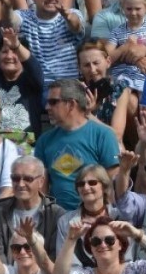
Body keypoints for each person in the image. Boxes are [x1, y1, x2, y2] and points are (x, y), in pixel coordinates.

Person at [32, 80, 120, 210]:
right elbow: (42, 190)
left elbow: (112, 184)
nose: (47, 107)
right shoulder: (44, 140)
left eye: (53, 102)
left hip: (94, 217)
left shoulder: (103, 134)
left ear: (71, 104)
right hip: (58, 219)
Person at [8, 0, 84, 97]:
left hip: (68, 86)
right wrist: (6, 6)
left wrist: (68, 17)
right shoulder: (24, 16)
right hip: (37, 85)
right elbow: (10, 21)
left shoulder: (72, 14)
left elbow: (75, 26)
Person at [0, 155, 64, 260]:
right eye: (15, 178)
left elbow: (57, 257)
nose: (21, 184)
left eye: (28, 179)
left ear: (41, 181)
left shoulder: (56, 214)